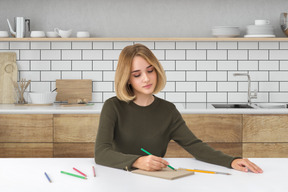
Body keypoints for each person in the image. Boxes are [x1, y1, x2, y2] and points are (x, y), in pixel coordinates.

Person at [95, 43, 263, 173]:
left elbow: (195, 146)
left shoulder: (168, 111)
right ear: (127, 79)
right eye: (137, 74)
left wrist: (231, 161)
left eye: (150, 70)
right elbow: (101, 153)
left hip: (155, 180)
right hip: (117, 178)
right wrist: (137, 161)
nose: (146, 79)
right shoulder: (113, 106)